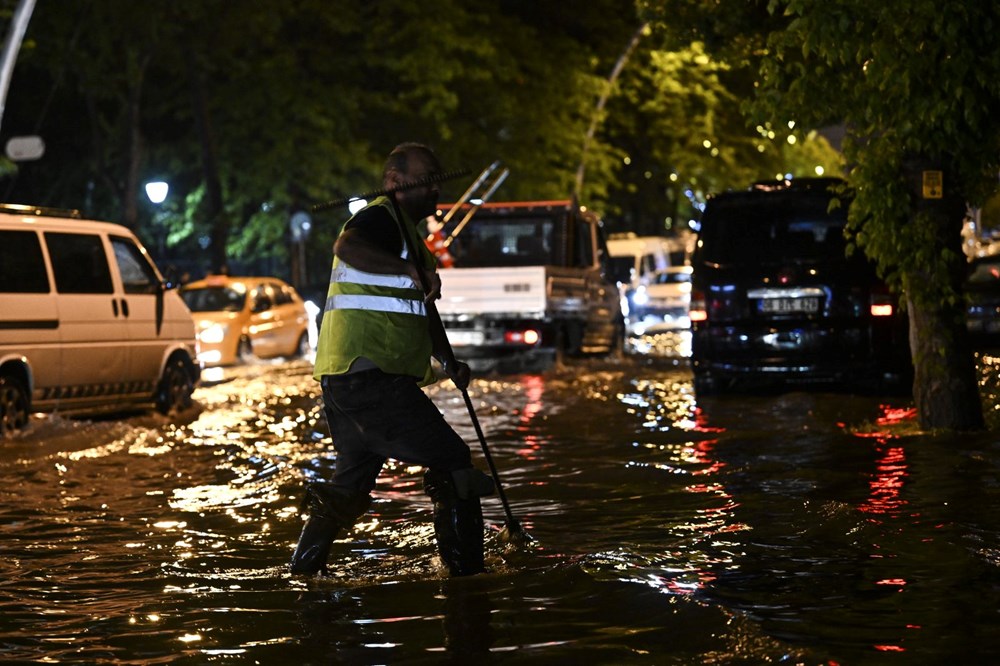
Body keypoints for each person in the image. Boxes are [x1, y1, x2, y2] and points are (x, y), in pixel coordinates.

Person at [290, 142, 495, 577]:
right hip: (372, 376)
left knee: (353, 479)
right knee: (454, 462)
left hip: (346, 377)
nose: (435, 190)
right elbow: (346, 247)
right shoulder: (380, 218)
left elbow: (422, 309)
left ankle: (303, 573)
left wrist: (448, 359)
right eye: (426, 181)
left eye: (437, 181)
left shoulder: (406, 235)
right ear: (395, 183)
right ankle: (468, 578)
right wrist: (412, 271)